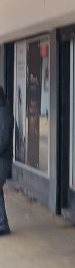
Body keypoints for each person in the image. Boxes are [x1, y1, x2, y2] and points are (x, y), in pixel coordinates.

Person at [0, 87, 14, 235]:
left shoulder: (4, 113)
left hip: (3, 160)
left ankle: (3, 224)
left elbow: (3, 139)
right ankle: (2, 223)